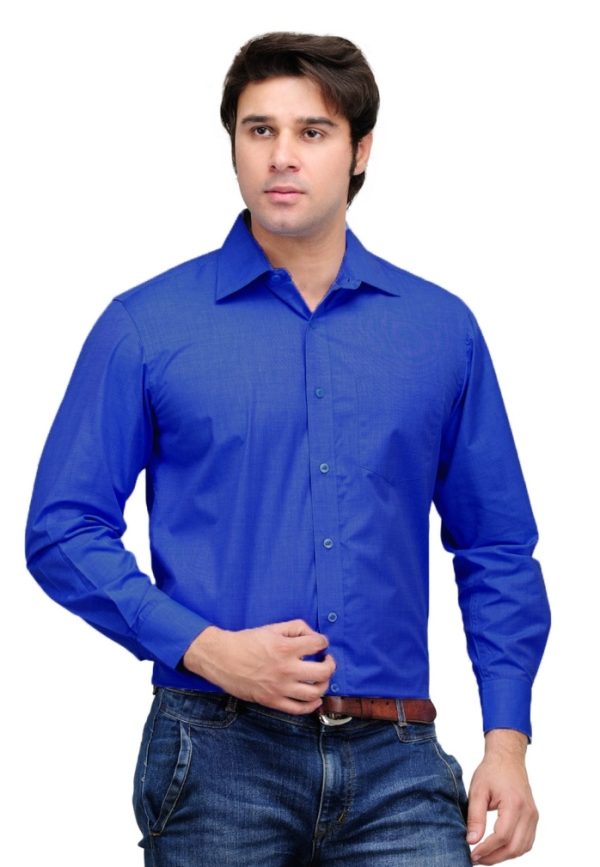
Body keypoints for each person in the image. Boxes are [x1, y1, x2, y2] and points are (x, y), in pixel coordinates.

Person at [25, 31, 550, 866]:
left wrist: (507, 741)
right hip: (214, 752)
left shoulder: (440, 330)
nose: (281, 155)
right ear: (233, 144)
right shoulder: (146, 326)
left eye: (313, 131)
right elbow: (62, 529)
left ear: (360, 150)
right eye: (259, 129)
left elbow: (496, 546)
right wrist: (204, 647)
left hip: (399, 760)